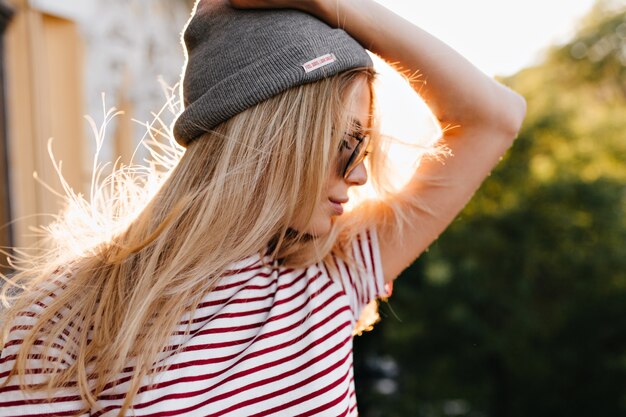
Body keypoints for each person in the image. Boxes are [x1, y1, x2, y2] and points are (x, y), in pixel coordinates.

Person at [0, 0, 526, 415]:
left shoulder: (327, 273)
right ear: (271, 139)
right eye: (346, 144)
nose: (360, 173)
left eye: (362, 149)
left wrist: (338, 5)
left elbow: (496, 116)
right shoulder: (66, 322)